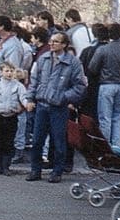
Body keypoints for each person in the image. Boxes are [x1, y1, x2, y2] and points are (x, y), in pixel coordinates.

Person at [25, 33, 88, 183]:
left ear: (64, 45)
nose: (52, 44)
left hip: (59, 107)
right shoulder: (43, 59)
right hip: (42, 104)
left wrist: (63, 97)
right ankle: (35, 169)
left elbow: (80, 86)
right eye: (51, 41)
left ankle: (57, 171)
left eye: (56, 42)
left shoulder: (73, 62)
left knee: (59, 140)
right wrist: (30, 98)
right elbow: (34, 80)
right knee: (37, 140)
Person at [88, 23, 120, 148]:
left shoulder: (103, 49)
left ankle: (104, 147)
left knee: (105, 118)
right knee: (118, 118)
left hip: (107, 85)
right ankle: (117, 146)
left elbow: (92, 68)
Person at [0, 62, 29, 176]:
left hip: (11, 117)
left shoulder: (18, 86)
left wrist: (26, 105)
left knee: (9, 142)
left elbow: (23, 97)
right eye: (6, 71)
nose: (9, 73)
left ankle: (6, 167)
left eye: (11, 71)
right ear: (1, 72)